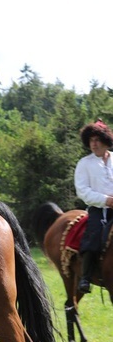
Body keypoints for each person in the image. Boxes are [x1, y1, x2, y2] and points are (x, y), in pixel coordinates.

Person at [74, 119, 113, 293]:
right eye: (91, 140)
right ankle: (86, 277)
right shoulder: (84, 164)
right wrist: (106, 200)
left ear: (105, 141)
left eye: (97, 140)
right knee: (94, 234)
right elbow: (82, 191)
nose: (94, 144)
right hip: (98, 209)